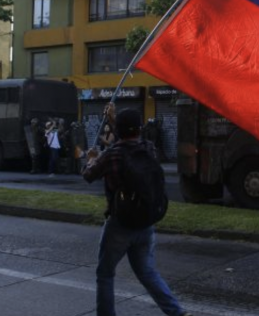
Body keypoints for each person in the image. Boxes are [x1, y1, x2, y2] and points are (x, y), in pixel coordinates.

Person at [82, 105, 191, 316]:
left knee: (105, 274)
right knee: (147, 272)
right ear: (139, 129)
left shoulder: (111, 155)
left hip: (120, 224)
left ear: (118, 131)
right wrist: (115, 120)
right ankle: (177, 312)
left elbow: (88, 175)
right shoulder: (148, 148)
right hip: (146, 221)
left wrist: (91, 158)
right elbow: (130, 143)